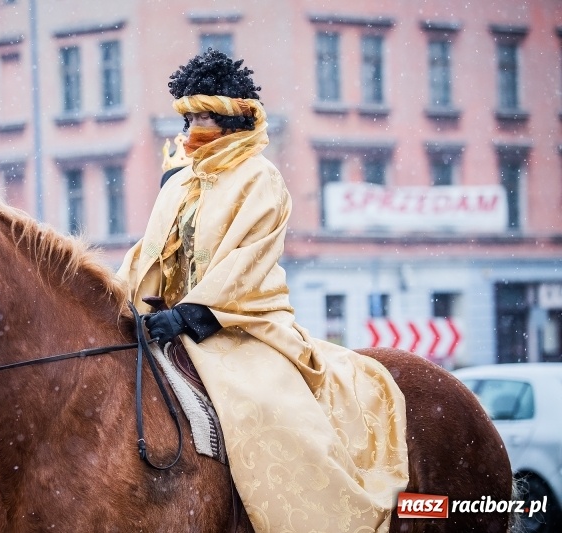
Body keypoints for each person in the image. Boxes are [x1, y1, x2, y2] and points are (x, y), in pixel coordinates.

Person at [118, 49, 410, 532]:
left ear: (232, 118)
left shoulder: (260, 177)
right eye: (186, 117)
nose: (190, 130)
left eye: (202, 117)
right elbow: (147, 254)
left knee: (263, 411)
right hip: (167, 322)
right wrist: (123, 300)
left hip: (242, 323)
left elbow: (245, 266)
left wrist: (191, 316)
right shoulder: (180, 181)